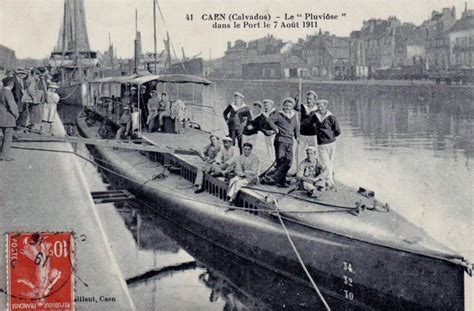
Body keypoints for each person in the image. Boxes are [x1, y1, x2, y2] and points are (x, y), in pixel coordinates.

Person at [262, 97, 300, 188]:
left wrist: (297, 137)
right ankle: (281, 182)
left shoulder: (294, 115)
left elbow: (296, 127)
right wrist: (275, 128)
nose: (288, 107)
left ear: (292, 107)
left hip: (290, 141)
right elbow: (269, 120)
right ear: (283, 106)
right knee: (280, 161)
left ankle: (275, 178)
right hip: (280, 140)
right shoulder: (278, 114)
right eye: (286, 105)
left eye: (290, 106)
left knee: (289, 161)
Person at [312, 99, 341, 187]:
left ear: (325, 106)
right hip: (321, 143)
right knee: (325, 162)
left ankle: (329, 179)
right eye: (318, 106)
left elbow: (338, 131)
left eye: (321, 106)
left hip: (331, 143)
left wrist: (330, 136)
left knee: (330, 161)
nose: (320, 108)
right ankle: (329, 180)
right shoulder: (315, 116)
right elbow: (310, 124)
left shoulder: (331, 117)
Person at [0, 78, 19, 161]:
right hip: (7, 118)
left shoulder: (1, 91)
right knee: (7, 137)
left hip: (1, 116)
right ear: (11, 84)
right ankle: (4, 155)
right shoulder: (8, 93)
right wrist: (16, 114)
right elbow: (12, 106)